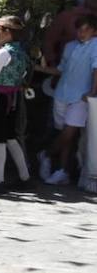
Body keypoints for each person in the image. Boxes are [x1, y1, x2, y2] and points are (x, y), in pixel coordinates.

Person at [40, 14, 97, 186]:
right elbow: (61, 70)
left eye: (86, 30)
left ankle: (46, 155)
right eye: (79, 29)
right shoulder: (70, 46)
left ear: (94, 31)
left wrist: (92, 92)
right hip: (61, 94)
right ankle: (62, 171)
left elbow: (96, 70)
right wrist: (38, 68)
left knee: (70, 132)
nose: (82, 33)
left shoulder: (96, 46)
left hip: (81, 97)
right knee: (66, 135)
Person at [0, 15, 32, 189]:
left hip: (0, 99)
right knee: (11, 137)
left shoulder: (3, 52)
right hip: (15, 98)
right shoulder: (21, 52)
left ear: (7, 32)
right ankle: (25, 177)